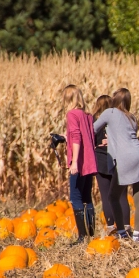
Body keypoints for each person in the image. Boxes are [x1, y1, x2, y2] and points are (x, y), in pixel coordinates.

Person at [93, 87, 139, 243]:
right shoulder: (132, 118)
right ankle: (137, 236)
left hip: (125, 158)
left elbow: (92, 130)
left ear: (114, 99)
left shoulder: (109, 112)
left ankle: (121, 233)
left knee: (113, 196)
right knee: (138, 199)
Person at [61, 85, 98, 243]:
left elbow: (77, 138)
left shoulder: (72, 114)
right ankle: (90, 233)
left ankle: (82, 237)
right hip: (90, 161)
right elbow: (87, 137)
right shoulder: (87, 115)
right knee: (86, 197)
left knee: (75, 197)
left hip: (80, 162)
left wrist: (74, 162)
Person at [90, 94, 121, 236]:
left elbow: (91, 141)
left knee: (106, 195)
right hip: (116, 161)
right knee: (118, 195)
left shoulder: (94, 123)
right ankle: (121, 225)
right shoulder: (116, 122)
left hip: (101, 162)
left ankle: (110, 225)